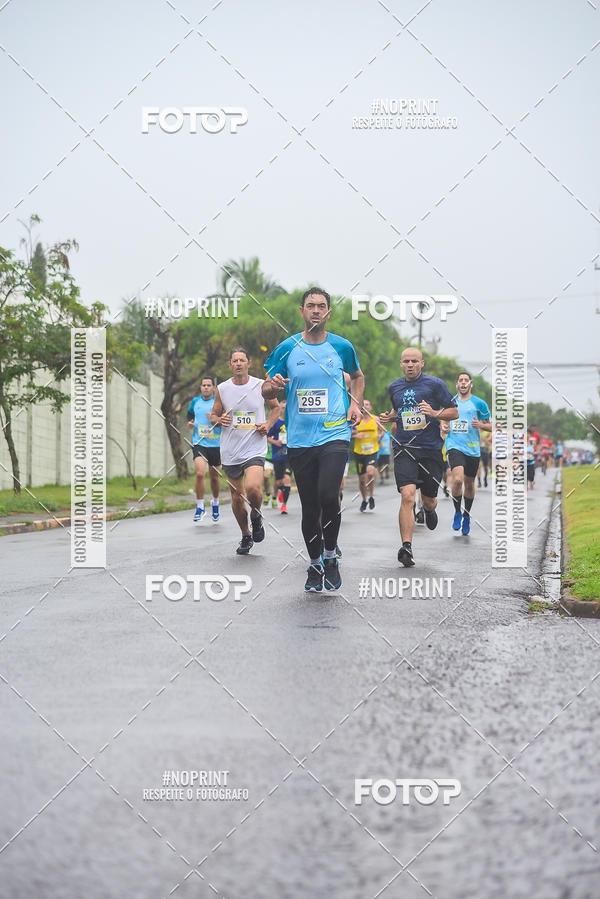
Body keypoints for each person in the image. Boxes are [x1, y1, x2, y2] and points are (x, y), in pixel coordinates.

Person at [262, 287, 363, 592]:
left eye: (321, 306)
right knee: (309, 505)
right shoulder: (287, 348)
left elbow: (358, 376)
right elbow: (266, 389)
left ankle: (331, 557)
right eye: (310, 305)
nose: (316, 310)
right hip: (300, 439)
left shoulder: (342, 347)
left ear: (328, 312)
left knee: (329, 495)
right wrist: (273, 386)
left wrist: (355, 404)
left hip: (335, 433)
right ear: (302, 311)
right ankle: (315, 563)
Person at [380, 347, 458, 567]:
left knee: (429, 499)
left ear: (422, 363)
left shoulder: (435, 385)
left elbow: (454, 411)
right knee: (407, 495)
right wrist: (389, 417)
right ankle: (406, 546)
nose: (410, 365)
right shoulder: (394, 387)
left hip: (430, 449)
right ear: (401, 364)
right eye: (406, 361)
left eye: (414, 361)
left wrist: (434, 413)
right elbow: (399, 411)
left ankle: (429, 509)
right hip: (404, 448)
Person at [210, 347, 280, 554]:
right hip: (230, 450)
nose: (238, 363)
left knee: (253, 488)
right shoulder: (222, 388)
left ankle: (256, 515)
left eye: (242, 360)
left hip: (254, 447)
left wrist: (268, 424)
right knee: (237, 497)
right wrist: (219, 419)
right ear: (229, 365)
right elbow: (213, 416)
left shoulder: (260, 385)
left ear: (249, 363)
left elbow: (275, 408)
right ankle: (245, 535)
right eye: (235, 361)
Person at [441, 372, 492, 536]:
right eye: (460, 380)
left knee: (469, 484)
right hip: (454, 445)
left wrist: (481, 425)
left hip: (473, 448)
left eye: (466, 380)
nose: (463, 383)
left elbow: (491, 426)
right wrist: (443, 426)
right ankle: (457, 511)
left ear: (471, 384)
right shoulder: (450, 402)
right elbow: (443, 419)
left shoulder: (479, 403)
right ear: (457, 384)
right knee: (457, 479)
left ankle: (466, 515)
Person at [187, 376, 221, 522]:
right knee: (200, 473)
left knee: (214, 477)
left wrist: (214, 419)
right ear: (201, 387)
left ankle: (215, 502)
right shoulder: (195, 401)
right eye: (203, 385)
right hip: (199, 443)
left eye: (208, 385)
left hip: (216, 444)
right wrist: (190, 423)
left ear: (213, 388)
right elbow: (189, 415)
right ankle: (200, 506)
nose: (206, 387)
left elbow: (224, 420)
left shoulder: (218, 402)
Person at [352, 399, 384, 511]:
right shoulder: (356, 419)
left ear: (370, 407)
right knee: (362, 480)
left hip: (372, 451)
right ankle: (364, 500)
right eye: (363, 405)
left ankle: (371, 496)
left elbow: (382, 430)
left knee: (371, 473)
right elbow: (347, 433)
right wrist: (356, 436)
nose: (365, 406)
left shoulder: (375, 419)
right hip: (359, 452)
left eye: (367, 405)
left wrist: (380, 436)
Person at [267, 399, 292, 514]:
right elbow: (267, 436)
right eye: (283, 408)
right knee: (278, 483)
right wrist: (275, 442)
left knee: (287, 478)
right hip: (277, 456)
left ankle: (284, 505)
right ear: (280, 409)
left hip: (289, 456)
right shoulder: (276, 423)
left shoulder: (292, 422)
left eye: (286, 408)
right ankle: (282, 490)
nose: (284, 410)